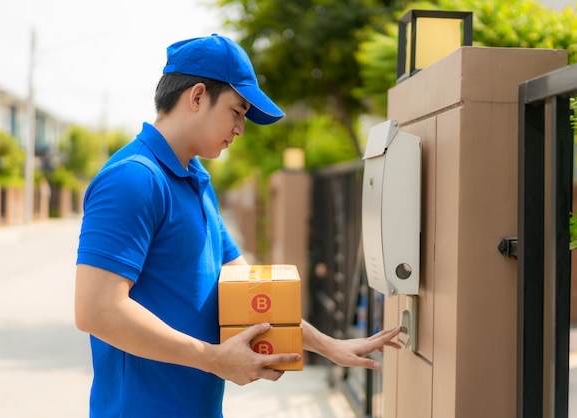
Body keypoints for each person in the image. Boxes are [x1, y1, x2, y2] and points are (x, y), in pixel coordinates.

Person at [75, 33, 401, 418]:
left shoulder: (194, 179)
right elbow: (96, 309)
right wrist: (213, 358)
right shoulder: (134, 179)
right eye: (237, 111)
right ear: (197, 97)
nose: (241, 128)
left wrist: (329, 346)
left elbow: (248, 292)